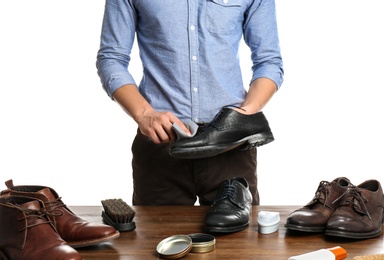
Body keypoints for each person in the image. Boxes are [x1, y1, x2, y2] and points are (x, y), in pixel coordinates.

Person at [96, 0, 284, 206]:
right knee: (156, 238)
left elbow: (269, 62)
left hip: (231, 146)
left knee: (238, 238)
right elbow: (111, 58)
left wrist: (242, 116)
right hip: (162, 141)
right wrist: (144, 114)